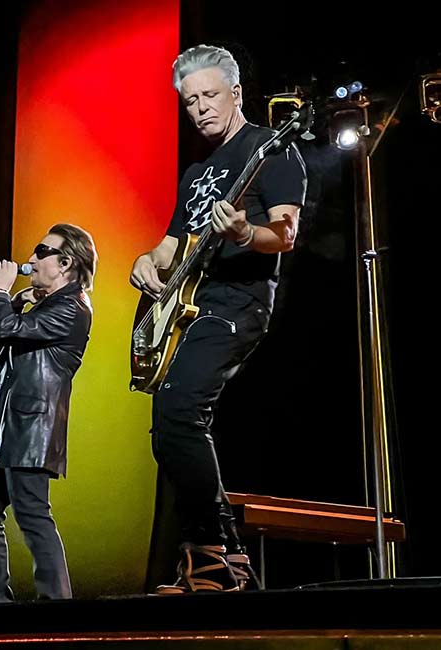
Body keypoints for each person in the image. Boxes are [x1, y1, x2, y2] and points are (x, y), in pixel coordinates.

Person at [130, 44, 306, 593]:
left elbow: (284, 235)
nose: (200, 108)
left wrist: (243, 234)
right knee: (168, 423)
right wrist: (145, 261)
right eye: (190, 101)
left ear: (236, 93)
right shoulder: (197, 172)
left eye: (210, 95)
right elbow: (170, 246)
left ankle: (214, 555)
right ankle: (221, 558)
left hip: (240, 302)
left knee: (181, 408)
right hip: (191, 304)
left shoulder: (270, 151)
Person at [0, 223, 98, 602]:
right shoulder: (48, 304)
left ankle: (56, 607)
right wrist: (13, 300)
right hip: (7, 429)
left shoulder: (72, 308)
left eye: (42, 252)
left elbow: (4, 329)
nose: (32, 258)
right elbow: (8, 329)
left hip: (31, 430)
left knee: (33, 516)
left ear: (65, 263)